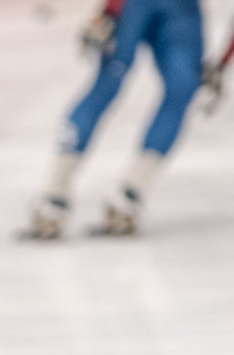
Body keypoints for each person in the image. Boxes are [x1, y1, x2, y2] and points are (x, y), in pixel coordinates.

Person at [24, 0, 209, 239]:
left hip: (179, 9)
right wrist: (111, 9)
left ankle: (131, 193)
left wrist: (226, 59)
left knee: (182, 88)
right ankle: (55, 194)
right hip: (137, 6)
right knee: (109, 82)